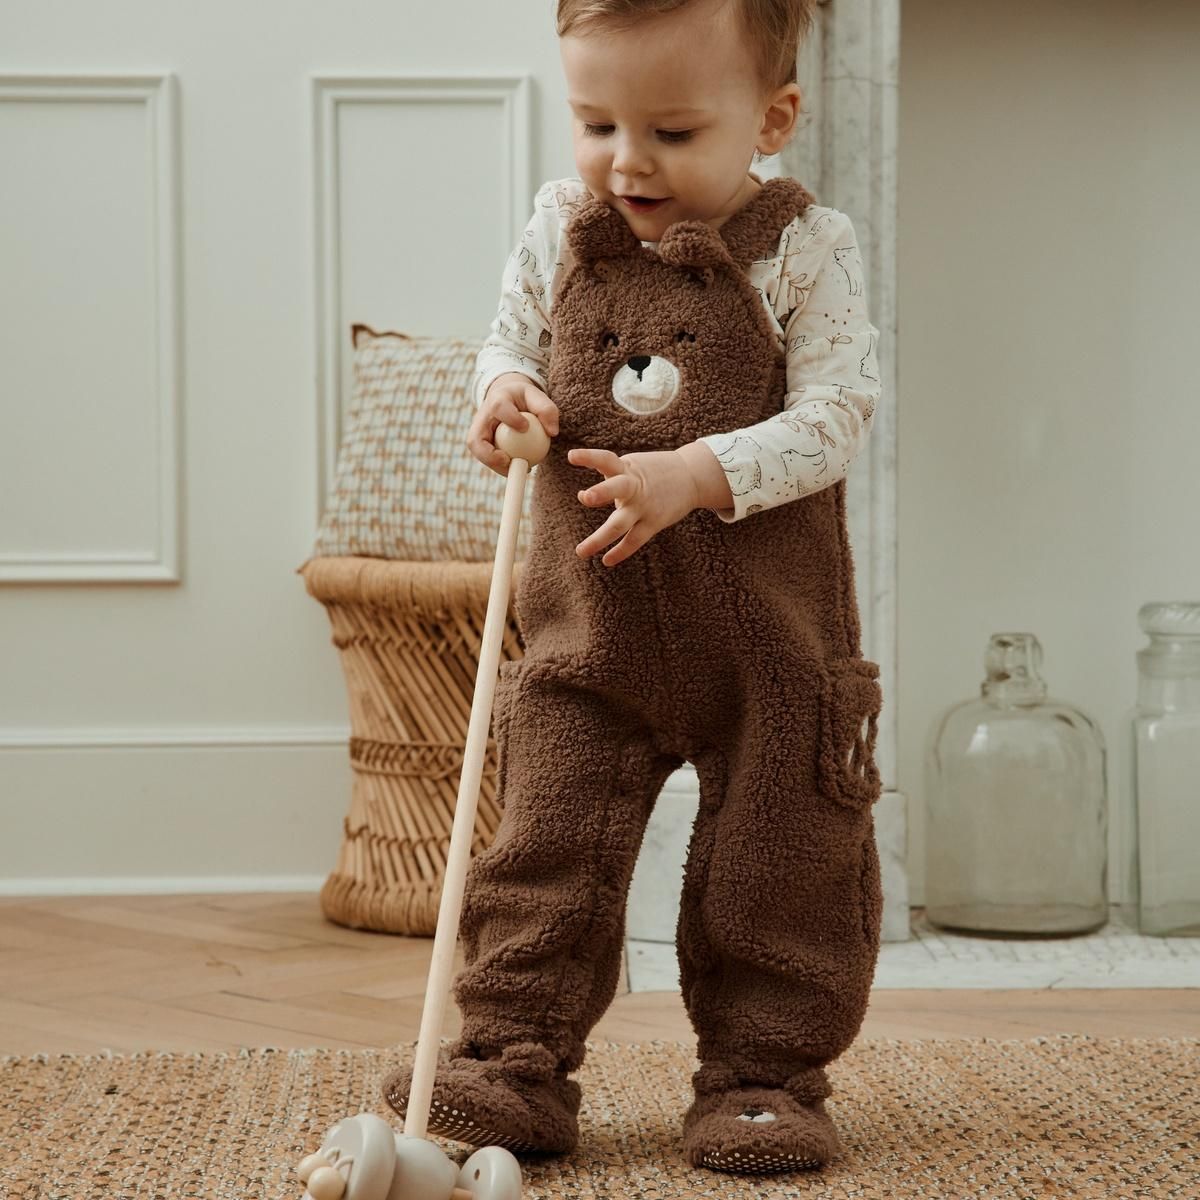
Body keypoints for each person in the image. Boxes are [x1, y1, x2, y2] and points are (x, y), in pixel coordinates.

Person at [384, 0, 885, 1176]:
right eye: (597, 121)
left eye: (669, 130)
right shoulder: (563, 223)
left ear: (771, 119)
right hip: (586, 628)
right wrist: (505, 394)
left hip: (768, 637)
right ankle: (509, 1059)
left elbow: (836, 417)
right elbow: (507, 340)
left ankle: (764, 1077)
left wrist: (698, 474)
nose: (626, 160)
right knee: (542, 839)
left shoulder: (806, 248)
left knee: (782, 855)